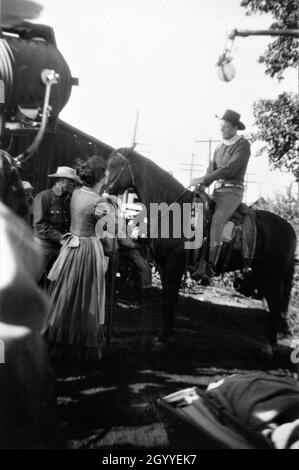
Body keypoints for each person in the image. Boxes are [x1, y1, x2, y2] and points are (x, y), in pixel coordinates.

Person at [42, 156, 110, 361]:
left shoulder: (77, 193)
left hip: (72, 247)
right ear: (101, 175)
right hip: (88, 250)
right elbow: (110, 232)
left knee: (66, 294)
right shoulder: (100, 203)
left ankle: (57, 341)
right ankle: (80, 348)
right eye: (106, 171)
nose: (108, 174)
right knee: (86, 297)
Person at [191, 109, 251, 284]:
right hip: (217, 191)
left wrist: (204, 178)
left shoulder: (243, 145)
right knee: (197, 216)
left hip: (233, 192)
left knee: (217, 221)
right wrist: (201, 186)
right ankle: (194, 261)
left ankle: (210, 267)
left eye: (224, 127)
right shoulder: (220, 146)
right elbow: (212, 169)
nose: (221, 130)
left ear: (234, 127)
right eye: (221, 126)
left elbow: (230, 169)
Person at [33, 166, 79, 286]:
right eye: (71, 181)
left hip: (58, 251)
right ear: (62, 180)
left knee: (50, 286)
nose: (73, 185)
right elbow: (40, 225)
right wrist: (62, 238)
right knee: (35, 283)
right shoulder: (44, 197)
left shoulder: (67, 201)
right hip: (43, 250)